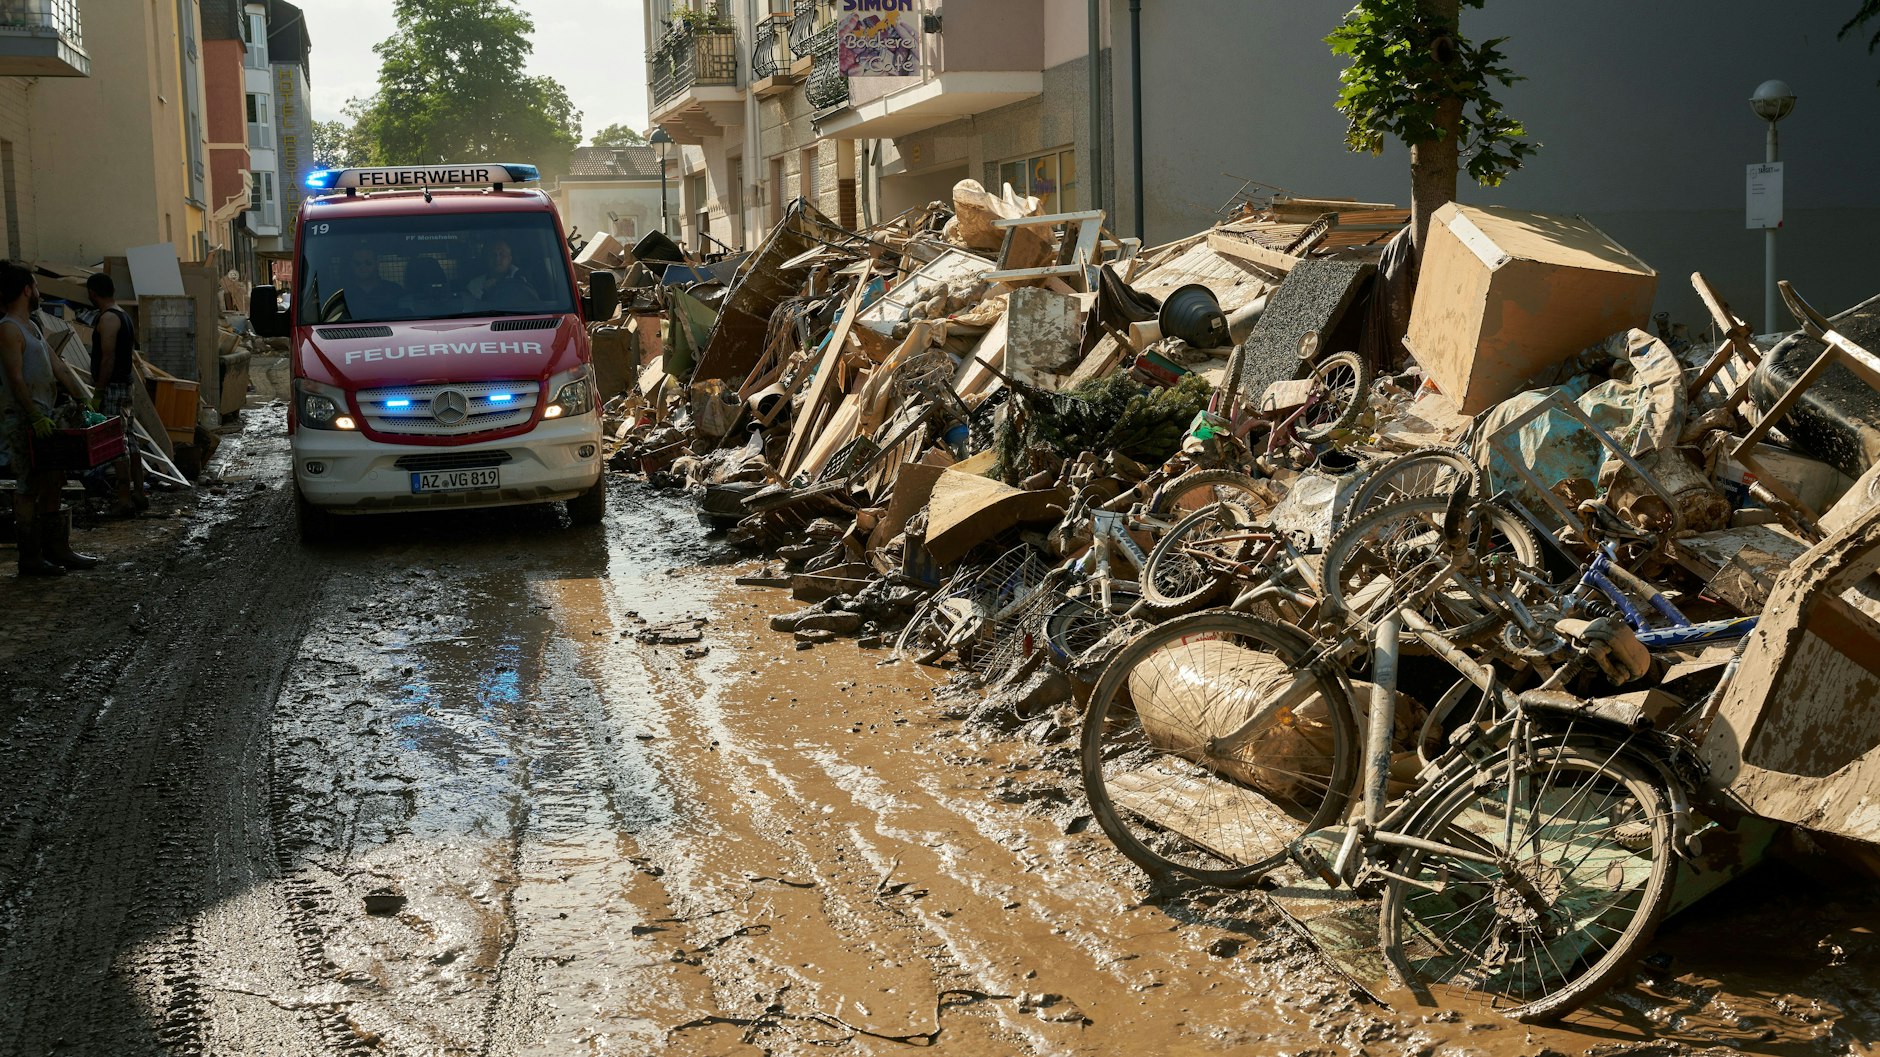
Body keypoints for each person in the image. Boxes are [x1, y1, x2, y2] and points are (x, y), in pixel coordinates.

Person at [0, 261, 98, 575]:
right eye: (36, 286)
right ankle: (30, 558)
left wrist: (84, 397)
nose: (39, 291)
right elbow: (15, 379)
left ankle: (57, 548)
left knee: (54, 479)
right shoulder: (8, 328)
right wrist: (33, 415)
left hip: (47, 416)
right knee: (28, 486)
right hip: (23, 419)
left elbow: (59, 367)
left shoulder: (33, 326)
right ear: (27, 289)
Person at [85, 272, 149, 518]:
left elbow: (108, 357)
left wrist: (99, 390)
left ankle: (124, 499)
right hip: (126, 386)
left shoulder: (109, 319)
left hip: (113, 387)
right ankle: (139, 494)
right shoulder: (123, 315)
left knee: (116, 441)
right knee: (129, 438)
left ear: (92, 293)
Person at [341, 242, 402, 320]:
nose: (363, 267)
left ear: (377, 264)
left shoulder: (394, 290)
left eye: (368, 263)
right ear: (351, 265)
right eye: (357, 263)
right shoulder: (343, 294)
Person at [464, 238, 535, 304]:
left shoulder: (521, 280)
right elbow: (470, 311)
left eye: (502, 255)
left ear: (510, 259)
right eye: (493, 255)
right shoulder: (474, 285)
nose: (497, 259)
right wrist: (485, 294)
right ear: (487, 258)